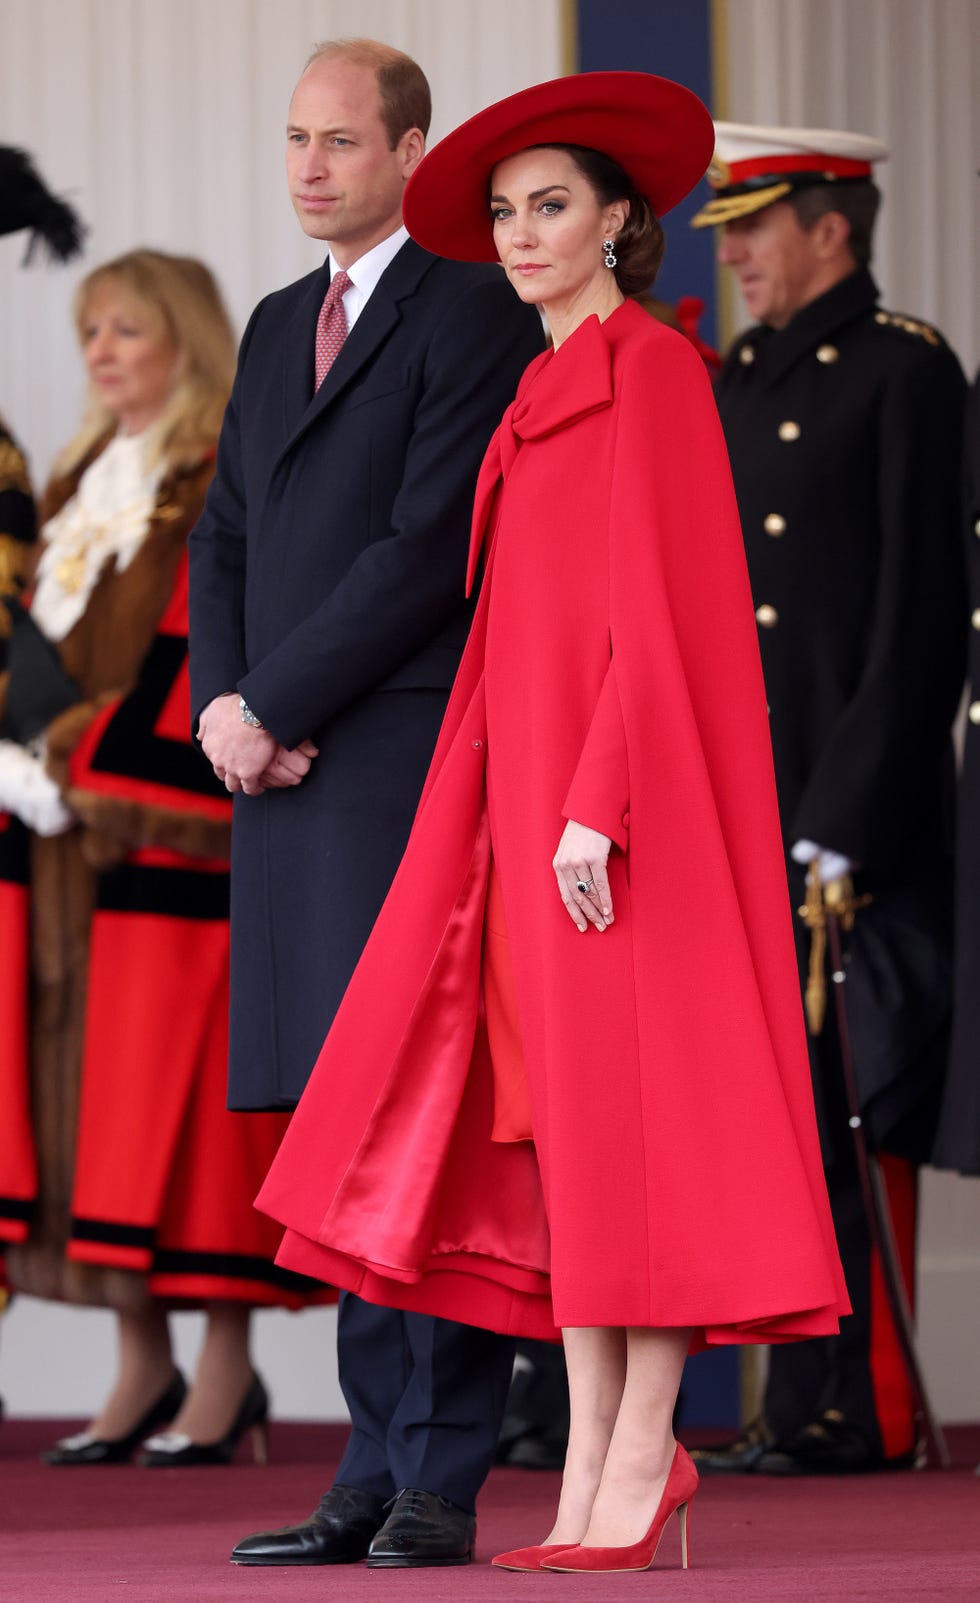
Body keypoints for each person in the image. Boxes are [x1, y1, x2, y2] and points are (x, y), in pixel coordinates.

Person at [256, 71, 850, 1574]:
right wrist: (495, 815)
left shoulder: (651, 370)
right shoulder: (531, 385)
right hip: (523, 812)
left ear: (619, 225)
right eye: (509, 212)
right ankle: (589, 1450)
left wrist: (594, 806)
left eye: (552, 208)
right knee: (573, 1145)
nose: (522, 234)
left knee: (637, 1136)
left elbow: (659, 625)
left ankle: (643, 1448)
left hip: (612, 817)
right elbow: (518, 622)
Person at [188, 39, 543, 1568]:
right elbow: (223, 534)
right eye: (293, 141)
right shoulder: (275, 324)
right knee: (336, 1127)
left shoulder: (470, 305)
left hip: (391, 764)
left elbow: (424, 547)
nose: (310, 167)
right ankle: (366, 1466)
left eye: (340, 140)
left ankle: (440, 1472)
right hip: (279, 771)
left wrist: (276, 703)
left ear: (411, 148)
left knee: (424, 1116)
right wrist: (220, 708)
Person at [0, 249, 323, 1467]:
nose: (100, 353)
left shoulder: (203, 483)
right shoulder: (84, 476)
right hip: (62, 839)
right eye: (90, 331)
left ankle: (228, 1372)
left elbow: (201, 661)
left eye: (126, 329)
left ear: (185, 339)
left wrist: (79, 762)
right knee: (93, 1108)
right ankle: (139, 1364)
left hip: (164, 831)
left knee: (188, 1113)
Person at [688, 124, 967, 1474]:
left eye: (756, 224)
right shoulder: (737, 377)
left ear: (832, 225)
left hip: (848, 821)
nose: (733, 252)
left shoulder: (906, 370)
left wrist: (839, 813)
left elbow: (922, 620)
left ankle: (865, 1402)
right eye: (728, 230)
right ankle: (789, 1401)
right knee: (767, 1118)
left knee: (849, 1105)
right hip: (745, 805)